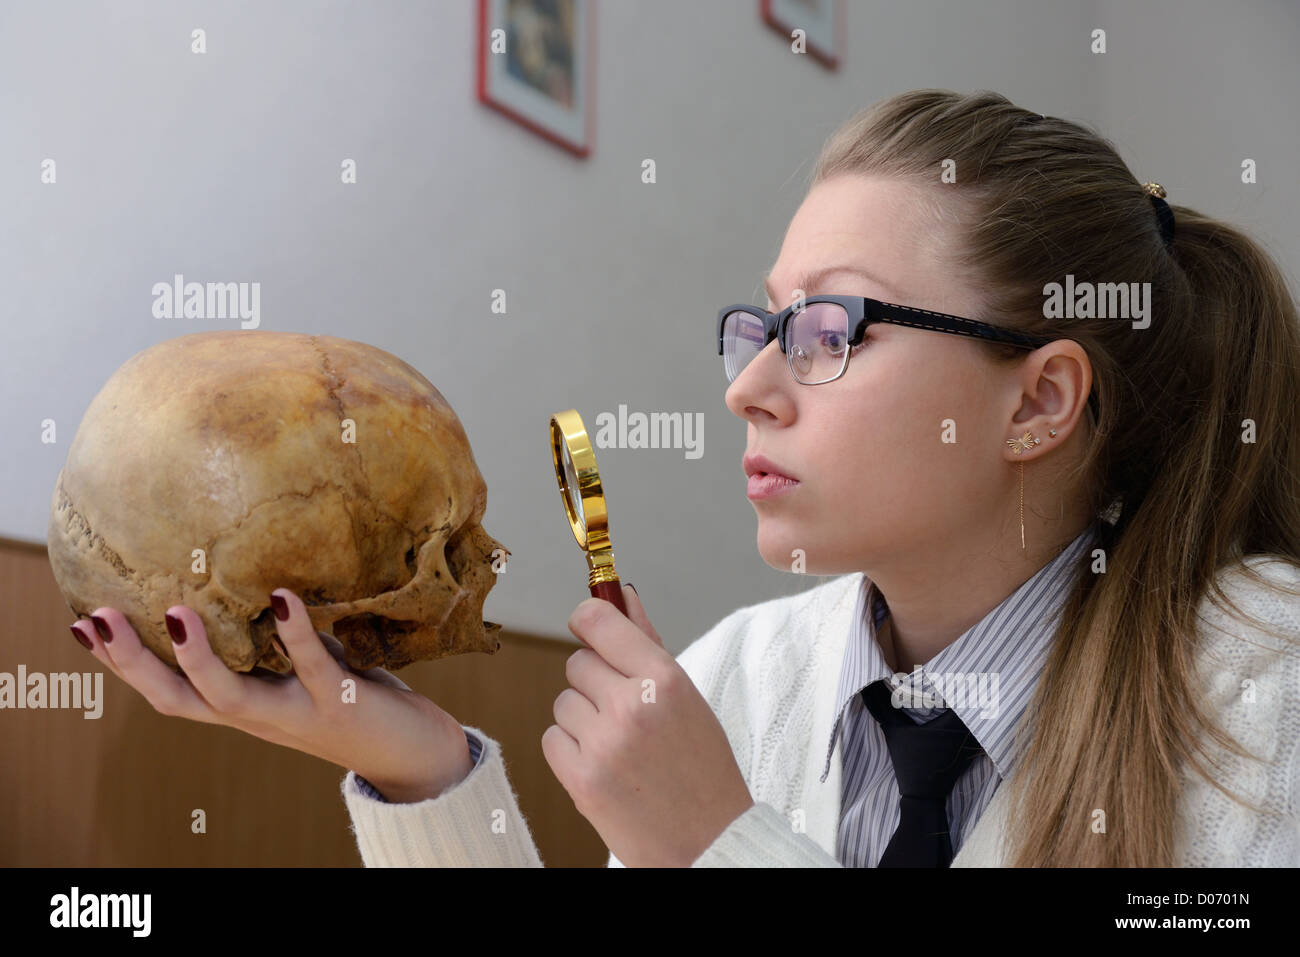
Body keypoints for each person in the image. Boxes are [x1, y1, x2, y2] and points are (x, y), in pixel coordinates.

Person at [72, 89, 1300, 867]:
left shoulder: (1266, 706)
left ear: (1037, 401)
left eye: (828, 330)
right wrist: (416, 768)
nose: (748, 389)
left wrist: (719, 844)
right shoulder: (738, 681)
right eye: (759, 328)